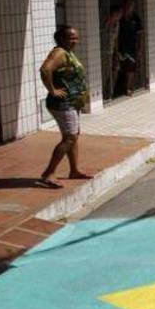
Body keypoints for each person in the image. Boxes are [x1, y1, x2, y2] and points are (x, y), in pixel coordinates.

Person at [39, 26, 92, 188]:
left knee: (73, 136)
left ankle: (74, 170)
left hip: (71, 103)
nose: (75, 41)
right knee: (70, 138)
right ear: (61, 39)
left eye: (76, 38)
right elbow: (45, 69)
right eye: (71, 38)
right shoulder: (60, 53)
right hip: (63, 104)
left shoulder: (67, 52)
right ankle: (49, 173)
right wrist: (52, 90)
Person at [115, 0, 143, 96]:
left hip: (132, 47)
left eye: (131, 5)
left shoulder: (136, 18)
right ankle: (113, 90)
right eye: (127, 5)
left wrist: (139, 48)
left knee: (130, 69)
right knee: (117, 67)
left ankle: (128, 88)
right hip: (120, 46)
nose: (128, 7)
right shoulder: (120, 17)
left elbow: (140, 34)